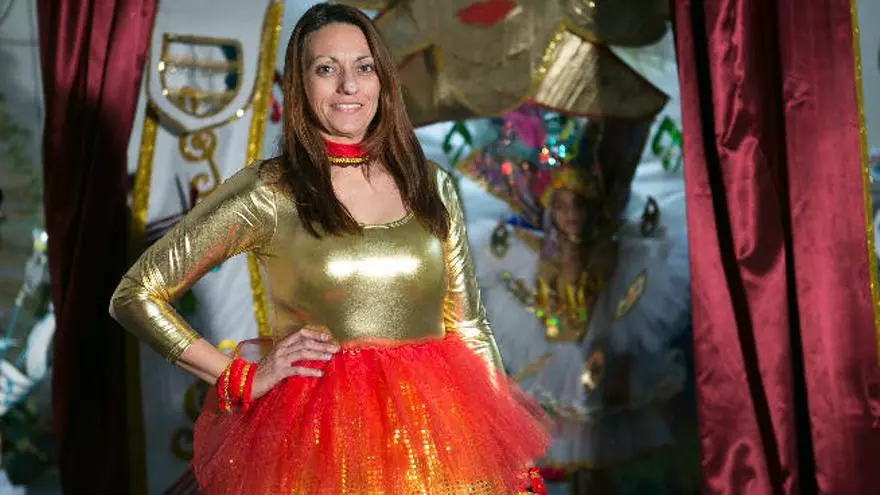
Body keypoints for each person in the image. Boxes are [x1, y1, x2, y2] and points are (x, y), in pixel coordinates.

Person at [109, 3, 549, 494]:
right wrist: (240, 378)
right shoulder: (269, 192)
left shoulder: (432, 184)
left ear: (383, 80)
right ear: (300, 84)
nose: (348, 86)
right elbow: (135, 295)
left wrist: (512, 457)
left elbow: (468, 326)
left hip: (439, 446)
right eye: (326, 69)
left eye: (364, 67)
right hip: (322, 450)